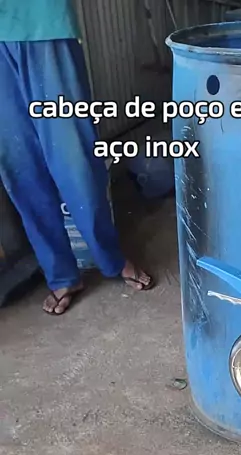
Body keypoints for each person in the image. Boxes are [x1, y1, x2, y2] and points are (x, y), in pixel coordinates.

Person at [0, 0, 153, 315]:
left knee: (75, 157)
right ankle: (61, 274)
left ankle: (111, 257)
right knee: (20, 167)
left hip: (41, 21)